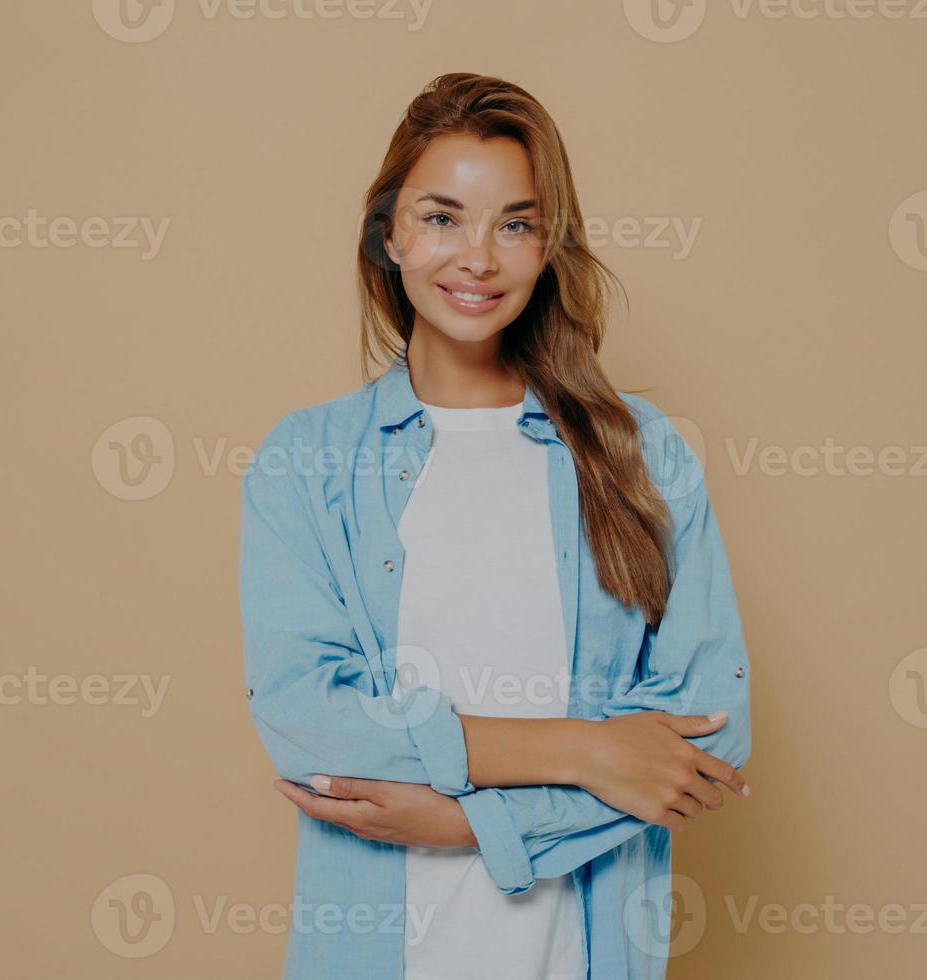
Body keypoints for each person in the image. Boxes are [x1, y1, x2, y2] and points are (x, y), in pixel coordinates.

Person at [239, 71, 752, 980]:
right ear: (389, 233)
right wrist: (587, 750)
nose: (477, 257)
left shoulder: (639, 453)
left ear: (548, 248)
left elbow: (708, 735)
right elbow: (306, 718)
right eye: (441, 217)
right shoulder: (308, 459)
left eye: (514, 224)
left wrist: (470, 822)